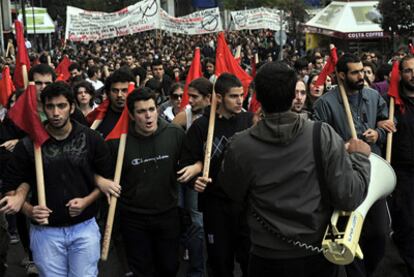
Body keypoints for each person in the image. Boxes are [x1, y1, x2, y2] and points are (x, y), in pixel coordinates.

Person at [212, 61, 370, 277]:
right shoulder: (322, 134)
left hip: (266, 258)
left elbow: (232, 192)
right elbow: (348, 196)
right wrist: (360, 158)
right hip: (316, 257)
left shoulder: (240, 145)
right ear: (293, 95)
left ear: (257, 96)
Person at [0, 81, 117, 277]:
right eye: (50, 106)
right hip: (45, 233)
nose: (56, 113)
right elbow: (12, 186)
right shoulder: (29, 145)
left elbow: (106, 180)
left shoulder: (91, 139)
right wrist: (29, 210)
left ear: (72, 107)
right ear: (43, 108)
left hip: (84, 229)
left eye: (61, 106)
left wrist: (87, 201)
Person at [313, 53, 390, 277]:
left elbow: (387, 122)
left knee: (379, 234)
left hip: (372, 175)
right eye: (355, 72)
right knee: (348, 234)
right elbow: (318, 140)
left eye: (362, 71)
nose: (361, 76)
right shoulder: (325, 104)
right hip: (343, 176)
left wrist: (378, 133)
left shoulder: (374, 97)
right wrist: (344, 146)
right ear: (341, 75)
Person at [107, 87, 185, 276]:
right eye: (141, 112)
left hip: (167, 214)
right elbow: (103, 175)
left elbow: (190, 163)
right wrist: (103, 182)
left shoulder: (174, 134)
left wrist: (196, 167)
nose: (148, 116)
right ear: (132, 115)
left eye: (151, 109)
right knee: (142, 269)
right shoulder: (117, 142)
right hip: (134, 218)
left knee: (169, 266)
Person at [181, 73, 253, 277]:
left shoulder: (248, 122)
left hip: (246, 205)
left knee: (250, 260)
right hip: (215, 206)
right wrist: (196, 181)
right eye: (233, 96)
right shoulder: (201, 127)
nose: (240, 100)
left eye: (242, 95)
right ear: (219, 97)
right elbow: (186, 164)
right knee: (220, 263)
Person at [387, 55, 414, 276]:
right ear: (401, 74)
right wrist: (381, 123)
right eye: (408, 71)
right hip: (403, 171)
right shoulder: (392, 104)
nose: (413, 75)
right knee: (407, 222)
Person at [92, 68, 135, 138]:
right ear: (108, 93)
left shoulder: (136, 117)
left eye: (124, 90)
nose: (119, 95)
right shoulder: (98, 116)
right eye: (115, 91)